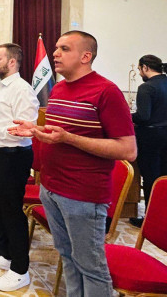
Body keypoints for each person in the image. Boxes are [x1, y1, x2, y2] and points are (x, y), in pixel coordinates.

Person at [10, 31, 137, 296]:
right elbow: (60, 134)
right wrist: (36, 131)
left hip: (83, 195)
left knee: (91, 267)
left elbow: (128, 149)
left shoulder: (106, 91)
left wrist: (69, 138)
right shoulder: (59, 88)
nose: (55, 53)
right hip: (51, 188)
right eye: (56, 48)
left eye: (64, 49)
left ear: (85, 56)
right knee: (67, 256)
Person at [0, 43, 39, 292]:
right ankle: (5, 254)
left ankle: (20, 270)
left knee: (11, 212)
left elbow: (24, 130)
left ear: (12, 62)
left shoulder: (22, 89)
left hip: (12, 158)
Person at [130, 54, 167, 227]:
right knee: (164, 178)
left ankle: (150, 221)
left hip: (150, 138)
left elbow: (143, 117)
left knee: (150, 178)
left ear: (145, 67)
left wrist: (127, 116)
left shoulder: (147, 88)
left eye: (139, 69)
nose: (139, 73)